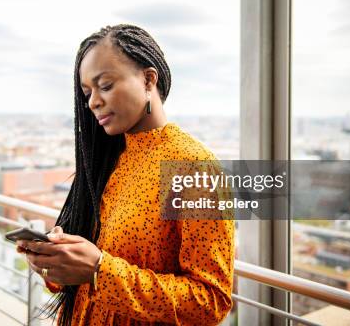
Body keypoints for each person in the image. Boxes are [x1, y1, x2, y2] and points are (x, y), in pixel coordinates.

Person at [17, 24, 234, 325]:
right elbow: (78, 282)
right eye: (87, 92)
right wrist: (55, 263)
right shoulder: (107, 158)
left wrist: (99, 271)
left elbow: (210, 302)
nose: (93, 101)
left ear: (148, 80)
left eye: (104, 85)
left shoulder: (196, 167)